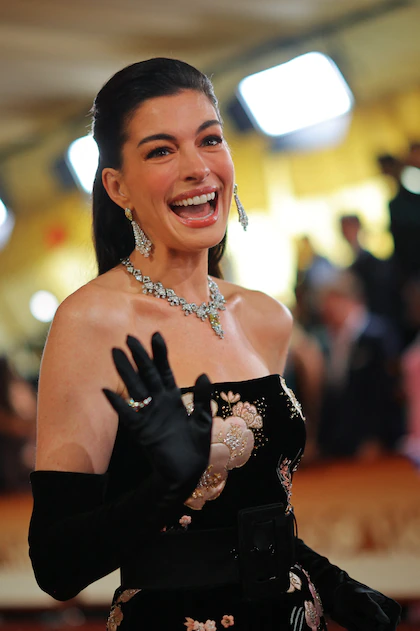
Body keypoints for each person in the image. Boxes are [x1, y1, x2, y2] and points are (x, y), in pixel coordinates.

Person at [28, 58, 401, 631]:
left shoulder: (266, 318)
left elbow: (251, 516)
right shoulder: (90, 321)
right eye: (161, 150)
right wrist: (163, 489)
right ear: (117, 186)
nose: (197, 168)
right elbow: (56, 566)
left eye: (209, 139)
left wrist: (333, 584)